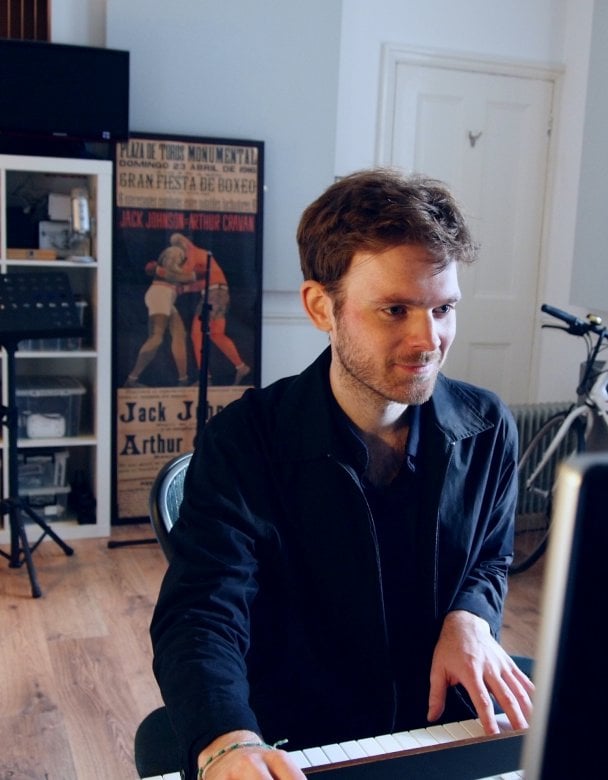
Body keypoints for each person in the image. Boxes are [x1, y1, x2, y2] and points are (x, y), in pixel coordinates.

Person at [150, 168, 533, 779]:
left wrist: (470, 616)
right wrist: (227, 740)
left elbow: (489, 558)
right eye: (394, 309)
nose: (428, 339)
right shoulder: (244, 441)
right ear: (320, 307)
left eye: (443, 308)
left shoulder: (488, 425)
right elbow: (202, 611)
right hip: (295, 731)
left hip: (438, 716)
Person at [169, 232, 252, 385]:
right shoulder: (202, 256)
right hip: (220, 293)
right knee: (216, 334)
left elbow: (186, 274)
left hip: (214, 294)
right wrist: (185, 289)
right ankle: (241, 367)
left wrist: (168, 272)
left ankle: (204, 378)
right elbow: (205, 282)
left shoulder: (192, 252)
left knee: (196, 334)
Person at [125, 245, 192, 388]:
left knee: (180, 334)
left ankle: (183, 379)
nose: (182, 259)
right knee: (156, 337)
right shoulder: (165, 269)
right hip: (160, 295)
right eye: (179, 257)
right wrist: (193, 276)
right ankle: (132, 379)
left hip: (166, 298)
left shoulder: (171, 270)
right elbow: (183, 277)